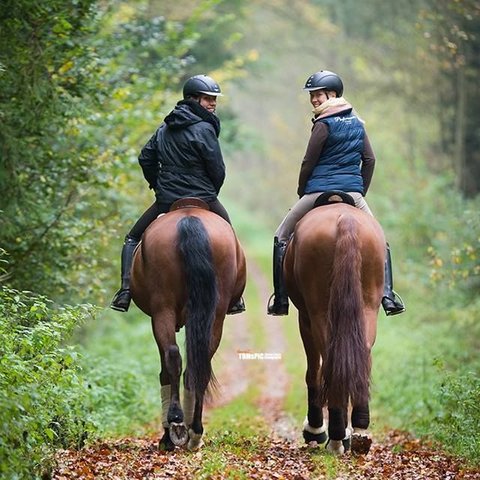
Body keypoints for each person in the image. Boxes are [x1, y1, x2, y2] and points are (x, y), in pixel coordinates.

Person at [267, 70, 405, 317]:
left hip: (317, 191)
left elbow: (308, 162)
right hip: (353, 194)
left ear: (332, 94)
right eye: (312, 95)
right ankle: (388, 295)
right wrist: (359, 189)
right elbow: (370, 160)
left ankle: (280, 298)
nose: (314, 100)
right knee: (380, 240)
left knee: (281, 235)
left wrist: (302, 190)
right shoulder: (357, 123)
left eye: (318, 95)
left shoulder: (322, 124)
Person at [111, 74, 245, 314]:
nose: (213, 104)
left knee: (132, 238)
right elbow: (217, 169)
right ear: (192, 99)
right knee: (230, 235)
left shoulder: (164, 128)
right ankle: (235, 298)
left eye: (214, 99)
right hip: (204, 196)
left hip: (167, 199)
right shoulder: (205, 128)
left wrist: (158, 185)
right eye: (207, 99)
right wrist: (210, 192)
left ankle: (125, 291)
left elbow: (145, 158)